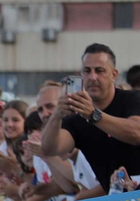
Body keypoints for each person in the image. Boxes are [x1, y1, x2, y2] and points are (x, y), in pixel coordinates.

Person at [41, 43, 140, 193]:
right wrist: (56, 116)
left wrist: (93, 115)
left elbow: (136, 133)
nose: (93, 77)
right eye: (87, 71)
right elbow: (49, 148)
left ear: (114, 74)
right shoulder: (77, 117)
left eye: (99, 71)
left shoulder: (132, 99)